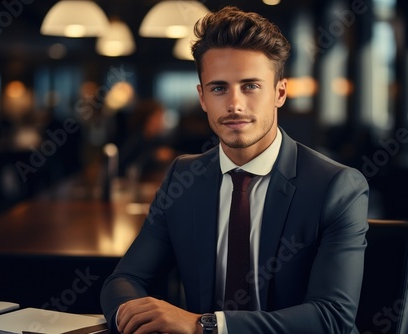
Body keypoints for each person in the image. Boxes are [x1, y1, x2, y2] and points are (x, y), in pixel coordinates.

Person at [101, 6, 369, 334]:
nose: (234, 104)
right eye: (218, 88)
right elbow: (125, 280)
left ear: (279, 93)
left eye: (251, 86)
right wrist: (132, 316)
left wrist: (206, 326)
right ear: (202, 97)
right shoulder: (182, 178)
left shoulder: (337, 186)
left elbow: (332, 318)